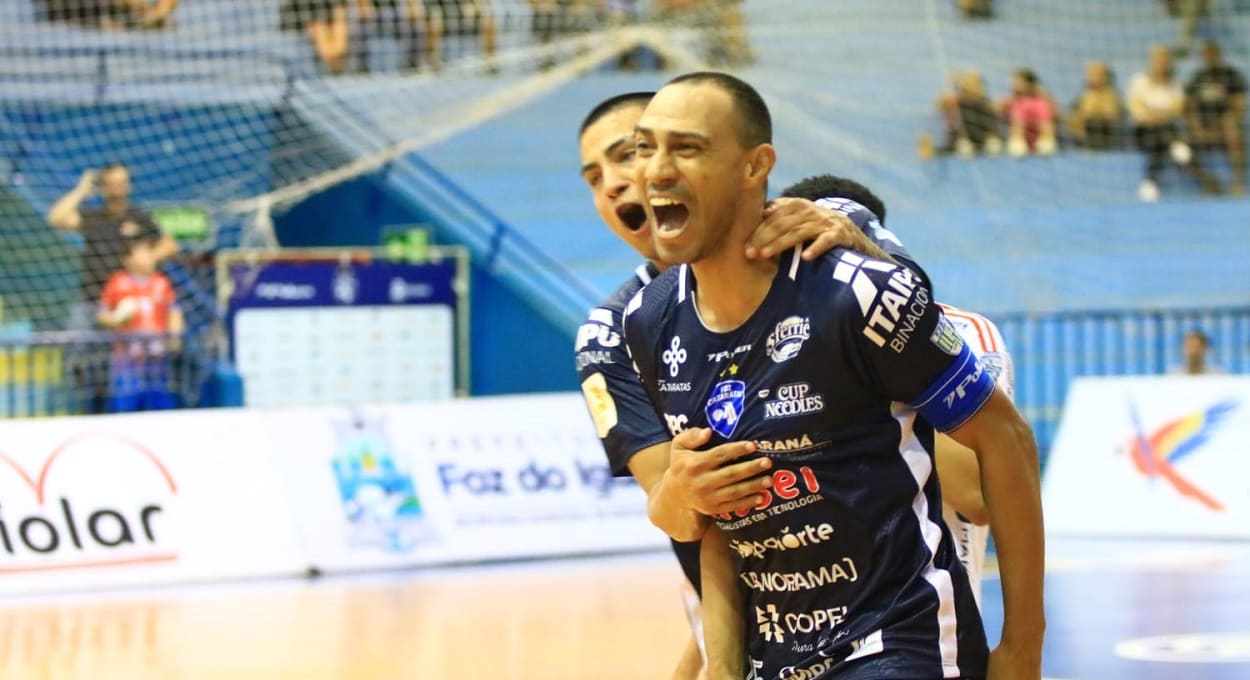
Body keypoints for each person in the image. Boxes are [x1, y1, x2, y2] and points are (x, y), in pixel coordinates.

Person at [624, 71, 1045, 679]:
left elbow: (1006, 441)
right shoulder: (650, 319)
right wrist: (720, 665)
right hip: (777, 657)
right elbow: (711, 520)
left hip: (903, 642)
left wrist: (1022, 646)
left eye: (686, 147)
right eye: (645, 148)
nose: (656, 170)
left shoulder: (857, 292)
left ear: (755, 167)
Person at [575, 93, 912, 680]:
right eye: (592, 176)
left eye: (631, 152)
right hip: (749, 607)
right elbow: (685, 513)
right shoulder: (615, 329)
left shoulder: (822, 223)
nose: (614, 183)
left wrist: (857, 241)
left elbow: (925, 315)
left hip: (891, 600)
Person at [779, 174, 1018, 609]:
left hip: (927, 627)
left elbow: (978, 494)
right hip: (798, 631)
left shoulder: (962, 332)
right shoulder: (769, 349)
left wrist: (876, 364)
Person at [47, 163, 178, 330]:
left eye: (122, 182)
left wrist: (146, 259)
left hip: (124, 303)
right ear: (103, 187)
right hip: (91, 300)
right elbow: (56, 218)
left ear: (129, 185)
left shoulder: (140, 218)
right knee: (77, 351)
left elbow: (170, 245)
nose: (118, 188)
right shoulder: (94, 217)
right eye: (112, 183)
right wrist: (81, 190)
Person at [97, 237, 184, 412]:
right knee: (127, 401)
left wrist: (176, 336)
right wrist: (115, 319)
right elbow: (102, 314)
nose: (148, 257)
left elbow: (174, 311)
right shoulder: (118, 282)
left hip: (156, 355)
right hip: (127, 357)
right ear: (128, 260)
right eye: (142, 253)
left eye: (149, 253)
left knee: (158, 400)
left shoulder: (161, 282)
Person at [1128, 44, 1221, 201]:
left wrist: (1157, 114)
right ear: (1151, 62)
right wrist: (1155, 116)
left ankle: (1149, 183)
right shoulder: (1139, 81)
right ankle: (1183, 154)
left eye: (1165, 61)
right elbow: (1135, 108)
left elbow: (1177, 109)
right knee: (1160, 135)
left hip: (1165, 130)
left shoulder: (1175, 85)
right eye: (1158, 60)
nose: (1162, 64)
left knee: (1159, 138)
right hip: (1143, 130)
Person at [1186, 40, 1246, 195]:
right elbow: (1189, 109)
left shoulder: (1231, 76)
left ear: (1219, 55)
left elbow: (1239, 105)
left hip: (1225, 130)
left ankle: (1238, 183)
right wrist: (1197, 127)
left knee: (1233, 130)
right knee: (1178, 148)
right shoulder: (1197, 79)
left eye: (1212, 54)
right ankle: (1208, 181)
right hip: (1202, 131)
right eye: (1206, 55)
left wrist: (1223, 124)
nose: (1209, 58)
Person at [1069, 60, 1123, 151]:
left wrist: (1095, 110)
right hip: (1085, 135)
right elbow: (1075, 117)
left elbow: (1113, 115)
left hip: (1106, 134)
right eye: (1089, 74)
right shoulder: (1084, 96)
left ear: (1105, 76)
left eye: (1095, 74)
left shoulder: (1112, 95)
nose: (1091, 77)